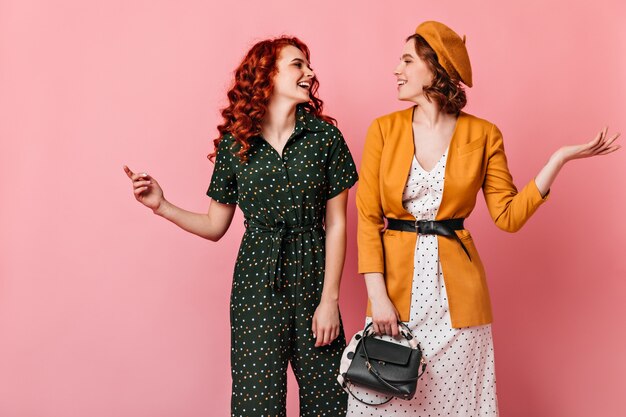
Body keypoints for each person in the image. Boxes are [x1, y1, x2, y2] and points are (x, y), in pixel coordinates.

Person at [348, 21, 620, 415]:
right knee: (385, 404)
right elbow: (368, 218)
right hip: (394, 295)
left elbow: (507, 216)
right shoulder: (383, 131)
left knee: (456, 407)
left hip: (459, 305)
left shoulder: (484, 135)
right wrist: (377, 297)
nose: (397, 70)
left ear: (435, 67)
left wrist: (556, 161)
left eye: (407, 60)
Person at [124, 36, 358, 417]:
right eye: (298, 64)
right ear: (268, 74)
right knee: (256, 406)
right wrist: (161, 206)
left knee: (332, 403)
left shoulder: (325, 138)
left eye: (308, 65)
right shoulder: (237, 145)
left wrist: (329, 300)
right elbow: (215, 225)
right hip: (256, 286)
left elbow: (336, 223)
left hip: (315, 278)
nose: (310, 73)